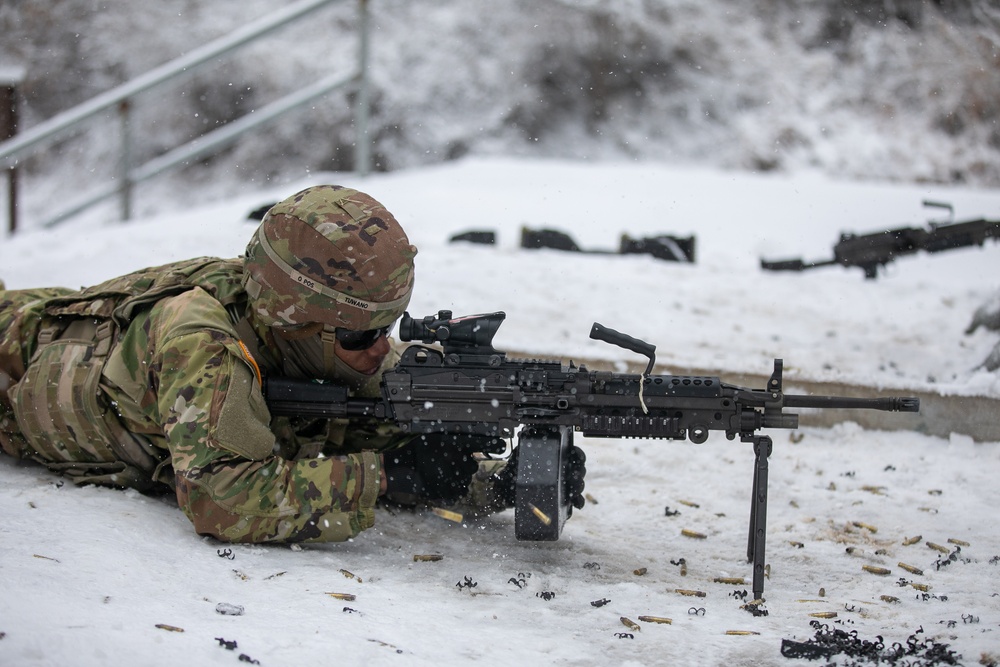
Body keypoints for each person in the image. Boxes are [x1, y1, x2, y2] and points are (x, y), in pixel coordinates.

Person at [0, 184, 521, 543]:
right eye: (364, 334)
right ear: (298, 322)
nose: (382, 349)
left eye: (390, 328)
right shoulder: (201, 343)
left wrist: (496, 480)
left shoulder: (297, 330)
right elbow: (221, 500)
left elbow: (337, 433)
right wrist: (384, 476)